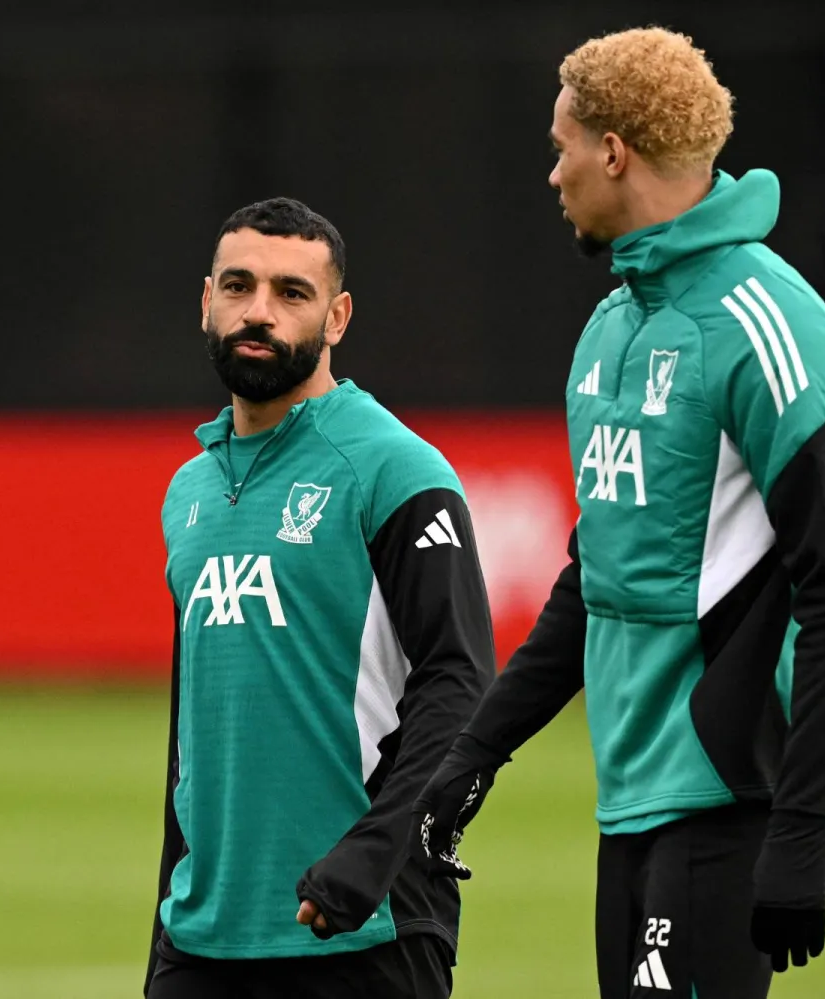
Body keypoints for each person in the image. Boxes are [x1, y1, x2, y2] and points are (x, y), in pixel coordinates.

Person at [410, 27, 825, 999]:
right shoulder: (609, 327)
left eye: (563, 148)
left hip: (726, 795)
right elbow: (598, 578)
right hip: (629, 801)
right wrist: (474, 753)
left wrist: (799, 832)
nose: (554, 175)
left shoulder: (768, 322)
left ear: (615, 152)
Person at [146, 197, 497, 999]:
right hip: (200, 940)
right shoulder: (188, 490)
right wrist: (164, 924)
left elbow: (460, 680)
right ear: (206, 301)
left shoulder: (395, 468)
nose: (258, 311)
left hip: (363, 929)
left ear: (337, 317)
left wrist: (374, 854)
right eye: (239, 286)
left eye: (291, 292)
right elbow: (189, 739)